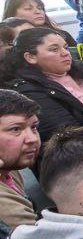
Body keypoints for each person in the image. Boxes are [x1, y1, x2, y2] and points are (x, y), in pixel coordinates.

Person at [0, 90, 41, 227]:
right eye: (16, 129)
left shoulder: (9, 168)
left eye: (34, 127)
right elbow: (36, 236)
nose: (32, 138)